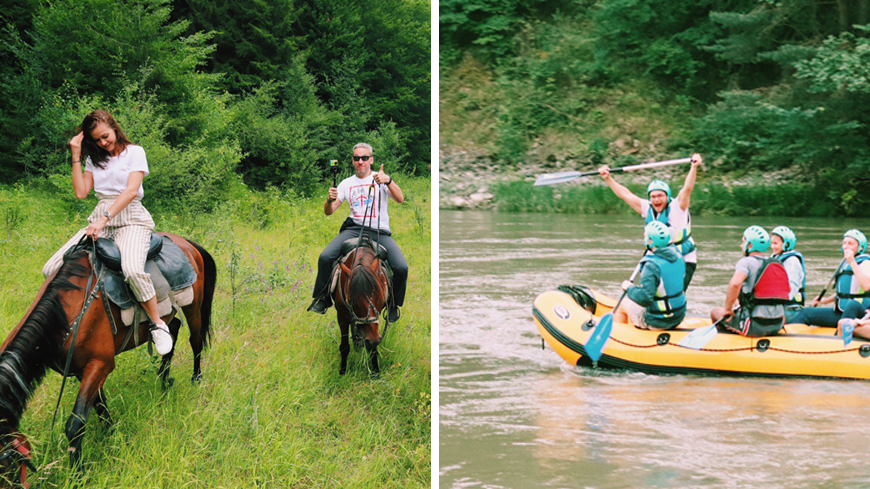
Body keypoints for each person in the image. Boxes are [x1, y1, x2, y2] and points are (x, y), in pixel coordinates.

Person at [41, 109, 173, 355]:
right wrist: (77, 153)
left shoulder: (135, 152)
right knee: (51, 267)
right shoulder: (94, 159)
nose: (103, 142)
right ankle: (62, 323)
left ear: (114, 128)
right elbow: (81, 192)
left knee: (132, 269)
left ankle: (158, 324)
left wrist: (104, 220)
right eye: (97, 140)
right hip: (100, 218)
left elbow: (132, 190)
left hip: (130, 218)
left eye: (105, 136)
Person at [307, 143, 408, 323]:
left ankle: (393, 305)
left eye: (364, 158)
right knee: (325, 257)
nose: (360, 161)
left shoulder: (380, 178)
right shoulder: (347, 183)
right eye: (356, 158)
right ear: (353, 161)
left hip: (380, 231)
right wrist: (329, 200)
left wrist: (389, 181)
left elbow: (400, 199)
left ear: (371, 159)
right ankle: (323, 298)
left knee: (401, 268)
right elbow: (329, 211)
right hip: (354, 228)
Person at [598, 153, 702, 291]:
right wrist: (608, 178)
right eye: (653, 197)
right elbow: (625, 194)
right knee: (649, 291)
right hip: (659, 256)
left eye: (660, 196)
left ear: (667, 196)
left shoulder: (678, 207)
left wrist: (693, 167)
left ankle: (673, 310)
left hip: (683, 258)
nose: (656, 200)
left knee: (673, 293)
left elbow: (687, 189)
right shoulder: (647, 208)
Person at [711, 226, 790, 337]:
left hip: (755, 325)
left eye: (743, 242)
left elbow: (735, 284)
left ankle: (725, 344)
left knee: (715, 312)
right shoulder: (776, 263)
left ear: (750, 245)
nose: (741, 246)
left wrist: (727, 309)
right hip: (777, 324)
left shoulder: (746, 262)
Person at [614, 221, 686, 330]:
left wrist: (629, 287)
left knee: (622, 304)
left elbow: (644, 298)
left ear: (651, 241)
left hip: (658, 321)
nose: (644, 237)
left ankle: (617, 336)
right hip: (678, 316)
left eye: (645, 235)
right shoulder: (678, 256)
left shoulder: (651, 266)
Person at [794, 229, 870, 327]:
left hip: (859, 313)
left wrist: (852, 262)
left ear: (860, 247)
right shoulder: (845, 263)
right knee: (806, 313)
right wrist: (825, 301)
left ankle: (840, 334)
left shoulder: (865, 263)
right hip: (841, 312)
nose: (846, 246)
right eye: (844, 243)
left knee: (852, 305)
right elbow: (846, 292)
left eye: (850, 244)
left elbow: (866, 286)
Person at [769, 226, 806, 323]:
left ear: (786, 244)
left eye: (775, 243)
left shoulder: (792, 262)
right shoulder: (775, 257)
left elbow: (791, 290)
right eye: (771, 243)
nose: (772, 246)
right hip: (778, 306)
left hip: (790, 308)